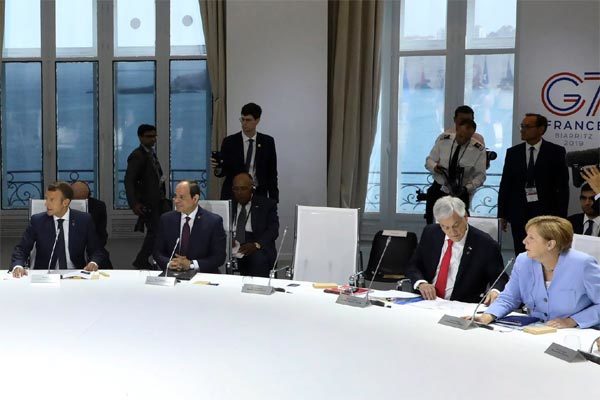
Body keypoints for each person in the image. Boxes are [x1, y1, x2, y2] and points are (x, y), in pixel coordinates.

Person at [473, 216, 600, 329]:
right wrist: (488, 316)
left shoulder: (583, 264)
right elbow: (510, 297)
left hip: (574, 333)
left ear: (550, 244)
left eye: (531, 238)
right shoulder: (523, 261)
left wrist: (572, 321)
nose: (524, 241)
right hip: (535, 330)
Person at [403, 196, 507, 304]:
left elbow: (500, 277)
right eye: (445, 227)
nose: (452, 232)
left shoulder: (486, 244)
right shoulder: (430, 233)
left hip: (461, 305)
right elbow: (413, 265)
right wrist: (421, 283)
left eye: (456, 225)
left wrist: (495, 291)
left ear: (465, 217)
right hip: (427, 301)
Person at [498, 113, 569, 255]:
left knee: (544, 252)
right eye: (522, 126)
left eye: (527, 126)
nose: (522, 130)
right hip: (518, 213)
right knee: (521, 252)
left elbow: (562, 187)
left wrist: (560, 217)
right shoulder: (513, 153)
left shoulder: (556, 152)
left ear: (541, 129)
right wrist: (502, 214)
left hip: (546, 213)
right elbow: (505, 184)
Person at [10, 182, 105, 278]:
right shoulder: (37, 221)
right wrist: (18, 265)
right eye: (46, 199)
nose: (46, 203)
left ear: (65, 202)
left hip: (76, 275)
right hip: (45, 275)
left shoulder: (84, 220)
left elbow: (96, 250)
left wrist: (93, 262)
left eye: (52, 200)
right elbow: (21, 249)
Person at [153, 180, 226, 273]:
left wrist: (191, 264)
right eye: (175, 196)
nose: (176, 200)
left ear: (195, 199)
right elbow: (157, 252)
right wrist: (169, 263)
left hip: (202, 275)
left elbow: (219, 257)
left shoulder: (213, 222)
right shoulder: (166, 219)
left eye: (181, 197)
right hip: (173, 273)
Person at [124, 124, 171, 269]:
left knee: (158, 231)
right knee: (155, 232)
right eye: (149, 136)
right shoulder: (137, 155)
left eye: (154, 136)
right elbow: (129, 180)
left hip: (158, 200)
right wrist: (134, 203)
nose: (153, 139)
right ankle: (142, 260)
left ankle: (146, 259)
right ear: (140, 137)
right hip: (148, 202)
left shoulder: (150, 153)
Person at [212, 103, 279, 202]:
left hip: (258, 193)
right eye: (242, 119)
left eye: (248, 120)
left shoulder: (267, 142)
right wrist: (218, 168)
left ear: (257, 120)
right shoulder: (230, 141)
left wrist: (274, 200)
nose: (244, 123)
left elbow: (272, 173)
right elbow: (224, 171)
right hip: (234, 193)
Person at [424, 119, 486, 224]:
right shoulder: (443, 140)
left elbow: (481, 176)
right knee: (432, 225)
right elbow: (429, 161)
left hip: (460, 192)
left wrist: (467, 188)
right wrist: (435, 167)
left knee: (459, 225)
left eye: (467, 138)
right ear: (456, 129)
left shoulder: (478, 150)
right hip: (439, 188)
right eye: (460, 136)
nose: (463, 140)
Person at [231, 172, 279, 277]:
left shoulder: (266, 205)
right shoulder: (229, 204)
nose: (239, 192)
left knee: (258, 259)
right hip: (232, 243)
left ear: (252, 188)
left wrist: (256, 245)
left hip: (255, 242)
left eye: (243, 188)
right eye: (236, 189)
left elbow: (273, 230)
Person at [71, 181, 113, 268]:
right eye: (76, 199)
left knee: (102, 261)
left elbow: (102, 234)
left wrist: (94, 252)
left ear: (88, 195)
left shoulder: (98, 206)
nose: (80, 202)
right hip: (71, 244)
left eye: (82, 199)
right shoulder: (63, 205)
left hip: (93, 244)